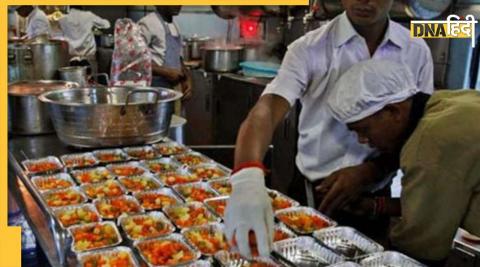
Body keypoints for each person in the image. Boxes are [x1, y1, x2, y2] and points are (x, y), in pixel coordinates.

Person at [224, 0, 434, 259]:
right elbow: (266, 110)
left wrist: (369, 172)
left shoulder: (415, 50)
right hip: (313, 195)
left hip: (373, 201)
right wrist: (247, 179)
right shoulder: (310, 48)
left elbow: (418, 132)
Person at [327, 59, 480, 264]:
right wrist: (373, 205)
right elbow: (435, 203)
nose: (363, 141)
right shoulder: (448, 103)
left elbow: (421, 244)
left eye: (364, 130)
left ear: (393, 112)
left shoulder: (431, 140)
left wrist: (367, 255)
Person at [138, 6, 192, 100]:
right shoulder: (147, 23)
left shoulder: (175, 25)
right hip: (154, 88)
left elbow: (178, 57)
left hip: (173, 87)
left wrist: (187, 78)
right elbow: (136, 61)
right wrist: (166, 72)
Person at [58, 6, 111, 74]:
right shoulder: (89, 15)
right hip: (89, 58)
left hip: (71, 58)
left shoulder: (62, 19)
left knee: (73, 80)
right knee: (91, 80)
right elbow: (107, 25)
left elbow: (57, 34)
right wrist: (94, 26)